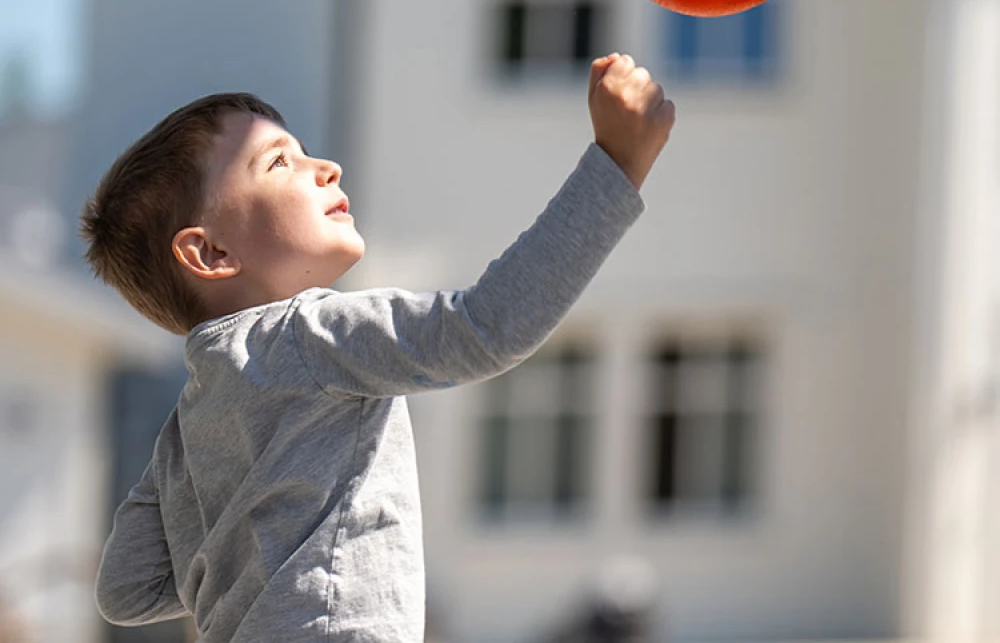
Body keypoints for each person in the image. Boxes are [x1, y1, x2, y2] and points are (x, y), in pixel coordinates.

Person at [85, 52, 675, 643]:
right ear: (211, 253)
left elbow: (126, 589)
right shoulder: (312, 333)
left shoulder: (192, 424)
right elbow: (488, 328)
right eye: (279, 162)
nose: (327, 167)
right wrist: (614, 166)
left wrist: (238, 568)